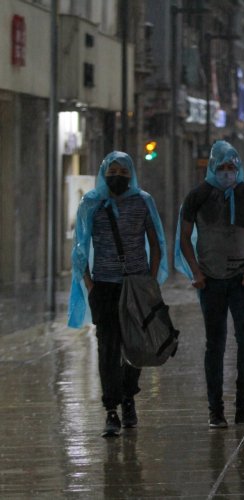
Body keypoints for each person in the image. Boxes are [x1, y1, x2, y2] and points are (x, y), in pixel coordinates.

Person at [176, 141, 244, 428]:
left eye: (231, 167)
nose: (226, 172)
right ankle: (215, 409)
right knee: (215, 345)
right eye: (221, 167)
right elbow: (183, 237)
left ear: (239, 167)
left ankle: (243, 401)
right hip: (211, 281)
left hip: (243, 281)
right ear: (211, 167)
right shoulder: (197, 196)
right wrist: (195, 271)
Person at [68, 151, 168, 437]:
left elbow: (156, 241)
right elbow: (80, 247)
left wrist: (150, 280)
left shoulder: (143, 201)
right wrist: (90, 285)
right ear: (103, 172)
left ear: (132, 174)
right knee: (108, 349)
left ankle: (128, 397)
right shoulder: (92, 203)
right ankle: (111, 409)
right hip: (105, 286)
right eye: (113, 171)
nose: (118, 177)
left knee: (136, 347)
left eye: (124, 173)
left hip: (135, 286)